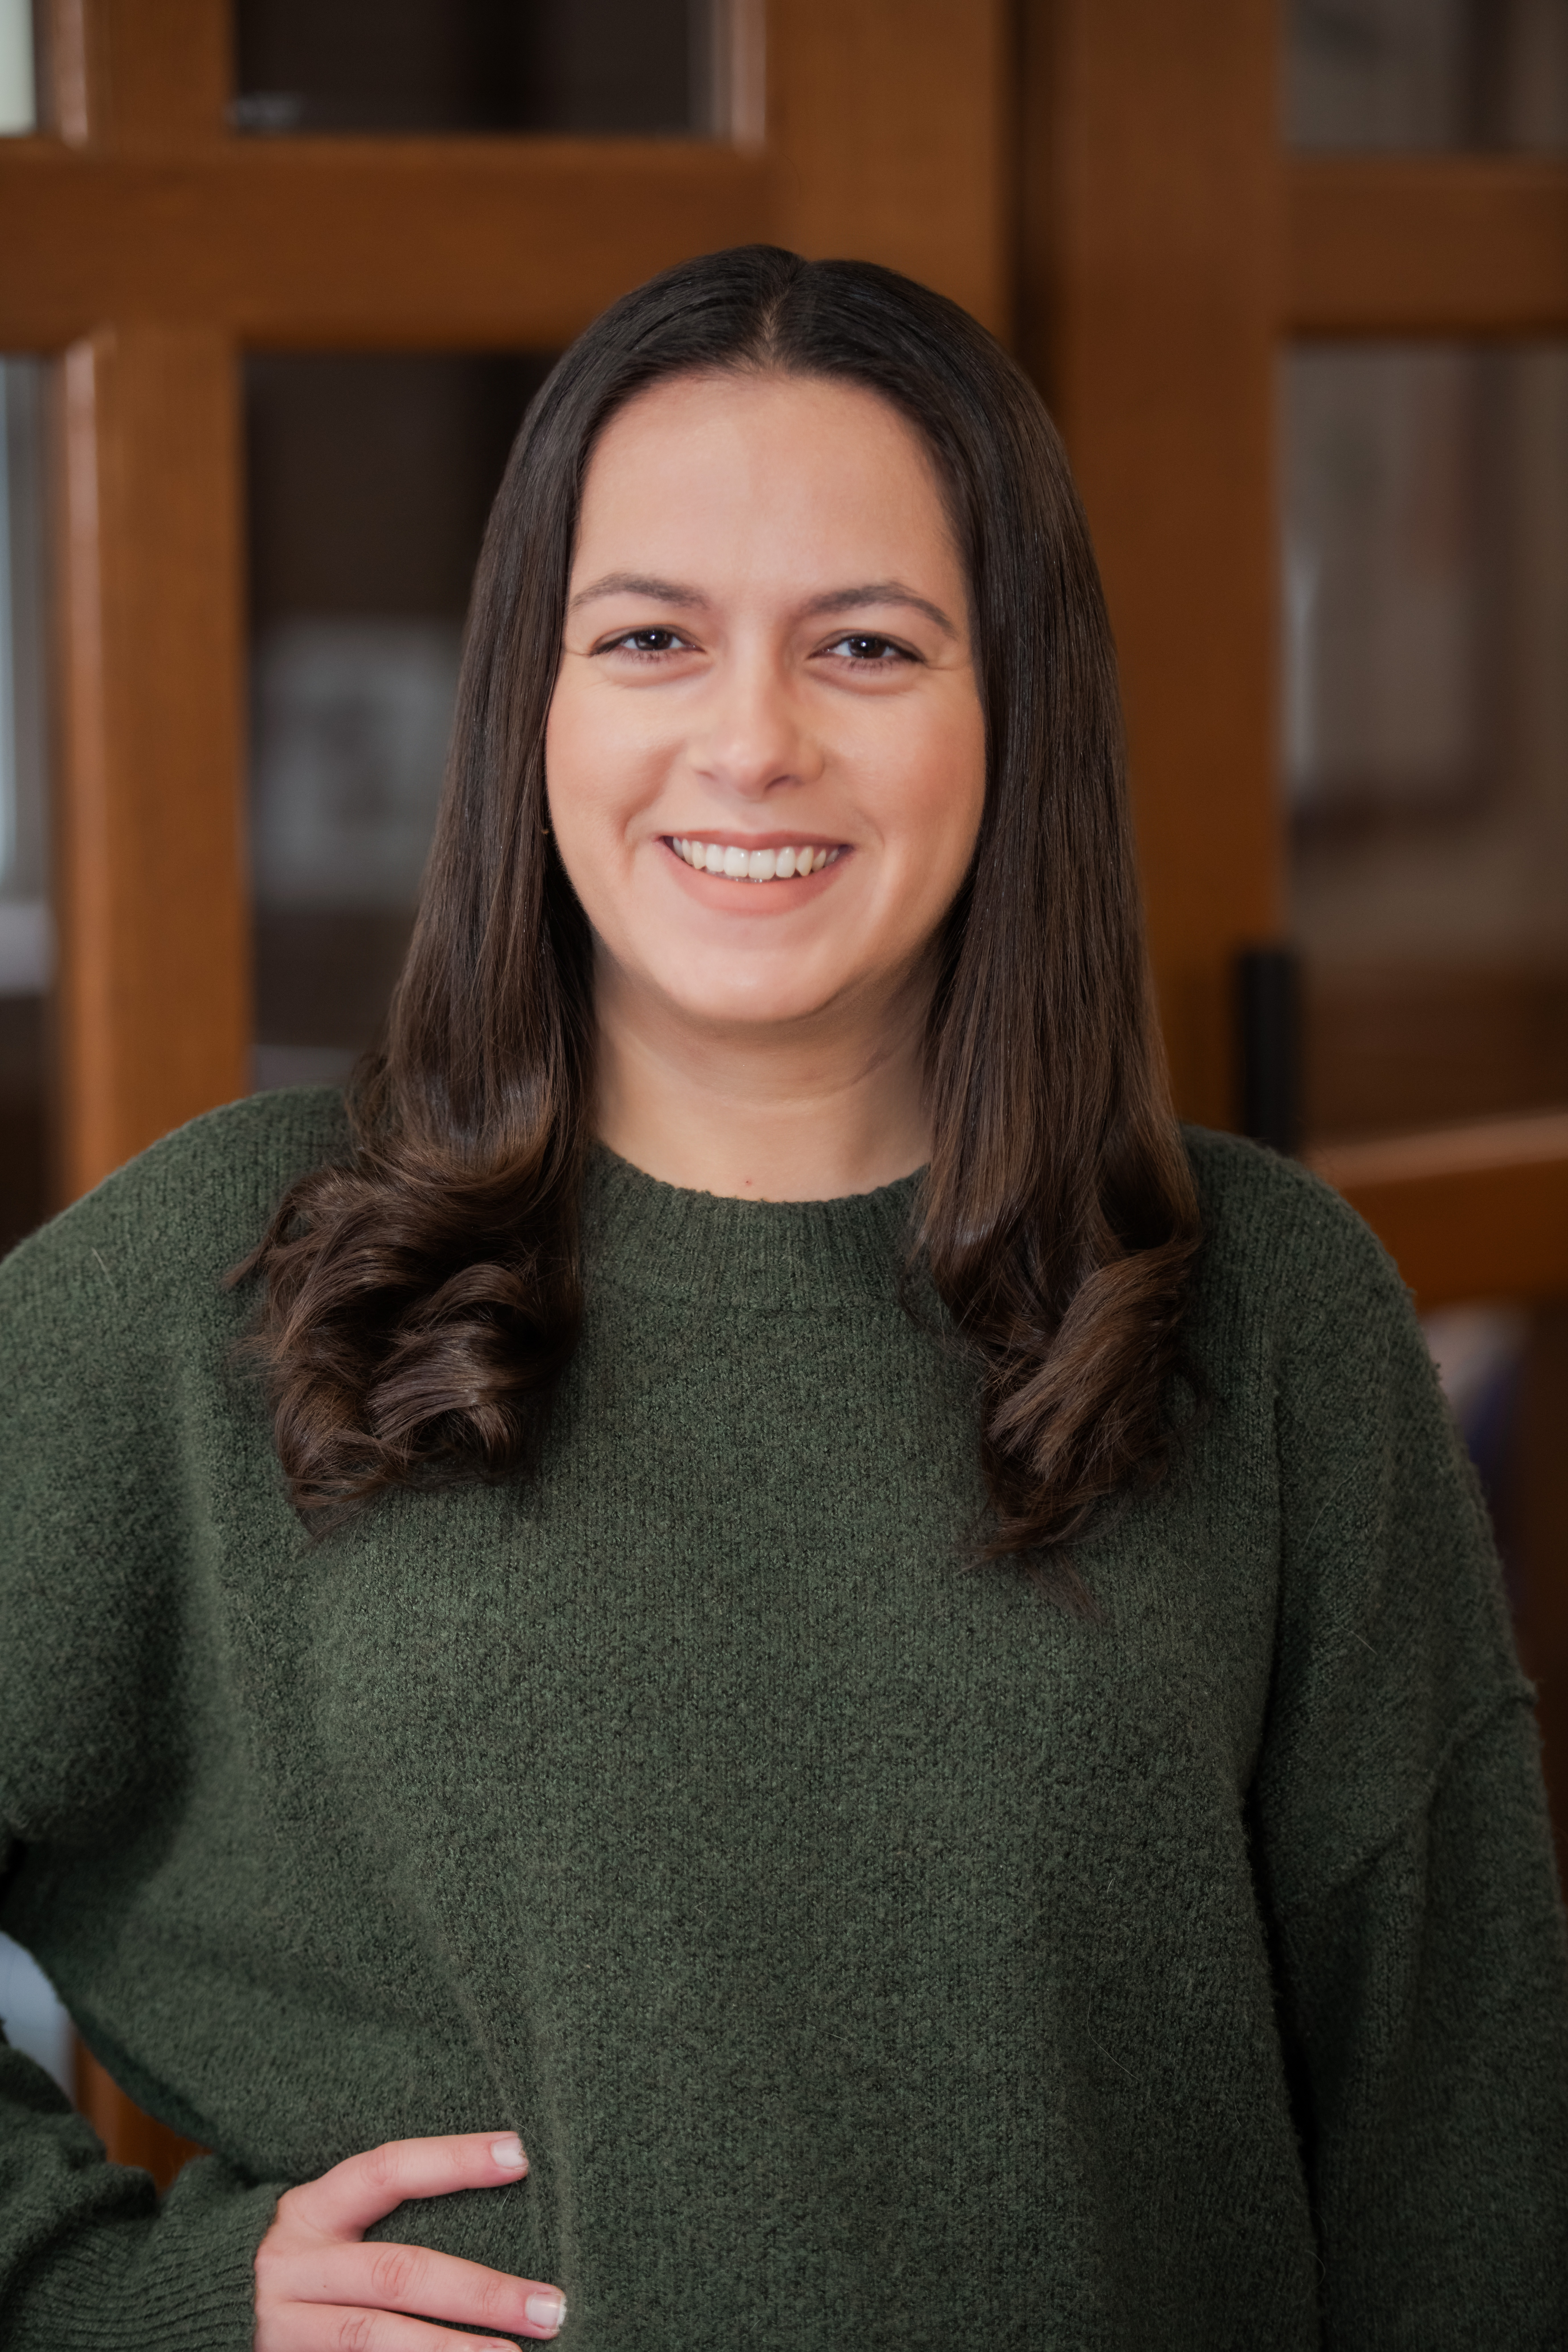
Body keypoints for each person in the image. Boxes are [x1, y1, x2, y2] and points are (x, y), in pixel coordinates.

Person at [1, 244, 1564, 2352]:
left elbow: (1460, 2135)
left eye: (868, 646)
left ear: (1015, 707)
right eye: (650, 636)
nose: (751, 742)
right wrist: (138, 2306)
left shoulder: (1266, 1310)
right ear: (531, 704)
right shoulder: (228, 1281)